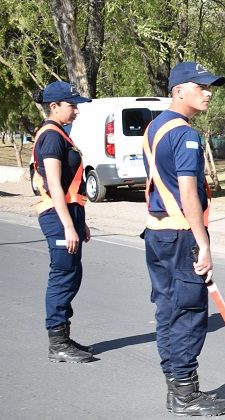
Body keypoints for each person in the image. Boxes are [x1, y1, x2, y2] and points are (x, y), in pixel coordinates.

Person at [142, 61, 225, 417]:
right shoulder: (185, 134)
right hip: (182, 234)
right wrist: (204, 243)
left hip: (157, 231)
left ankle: (174, 384)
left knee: (167, 309)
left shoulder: (155, 126)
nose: (208, 93)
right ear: (180, 90)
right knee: (190, 312)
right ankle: (185, 392)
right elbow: (188, 193)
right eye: (202, 86)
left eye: (210, 87)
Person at [31, 81, 95, 364]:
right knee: (63, 275)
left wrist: (80, 223)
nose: (76, 111)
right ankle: (56, 341)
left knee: (72, 274)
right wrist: (69, 225)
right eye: (72, 105)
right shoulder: (52, 137)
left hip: (68, 213)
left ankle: (63, 337)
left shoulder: (60, 134)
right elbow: (55, 185)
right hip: (58, 216)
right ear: (54, 106)